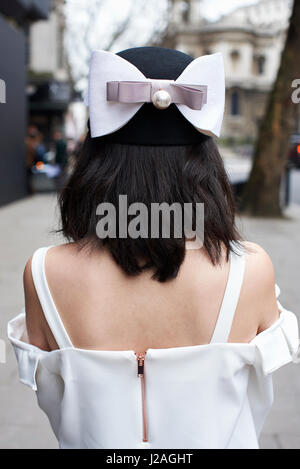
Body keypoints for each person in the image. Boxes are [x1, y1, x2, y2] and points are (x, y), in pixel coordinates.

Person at [8, 47, 299, 449]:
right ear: (206, 160)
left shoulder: (44, 272)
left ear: (94, 156)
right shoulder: (251, 269)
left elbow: (56, 406)